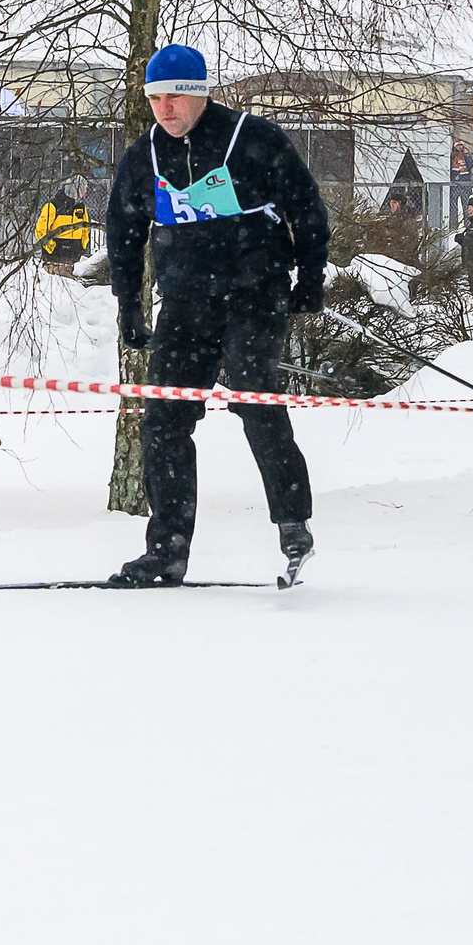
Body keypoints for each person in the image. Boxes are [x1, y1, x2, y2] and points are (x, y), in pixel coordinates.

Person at [105, 43, 329, 587]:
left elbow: (306, 205)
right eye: (155, 98)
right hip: (185, 301)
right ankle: (167, 551)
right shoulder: (144, 156)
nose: (165, 108)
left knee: (254, 397)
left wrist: (310, 278)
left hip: (256, 291)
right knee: (164, 419)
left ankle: (293, 525)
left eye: (175, 96)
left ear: (201, 93)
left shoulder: (252, 139)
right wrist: (129, 305)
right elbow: (124, 233)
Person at [36, 177, 94, 277]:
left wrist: (82, 246)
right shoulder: (53, 206)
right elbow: (41, 230)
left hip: (73, 259)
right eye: (83, 188)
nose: (85, 191)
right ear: (75, 189)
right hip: (54, 260)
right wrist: (51, 247)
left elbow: (85, 229)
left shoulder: (81, 207)